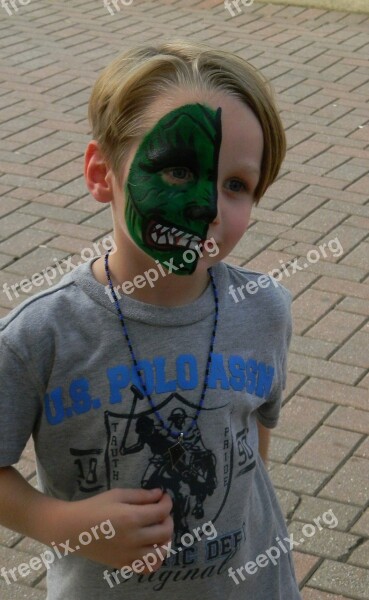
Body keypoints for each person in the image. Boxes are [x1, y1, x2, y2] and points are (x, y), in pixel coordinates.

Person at [0, 40, 301, 599]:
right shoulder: (41, 336)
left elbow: (251, 445)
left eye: (237, 185)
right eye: (180, 171)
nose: (209, 208)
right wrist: (66, 526)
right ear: (101, 174)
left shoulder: (264, 310)